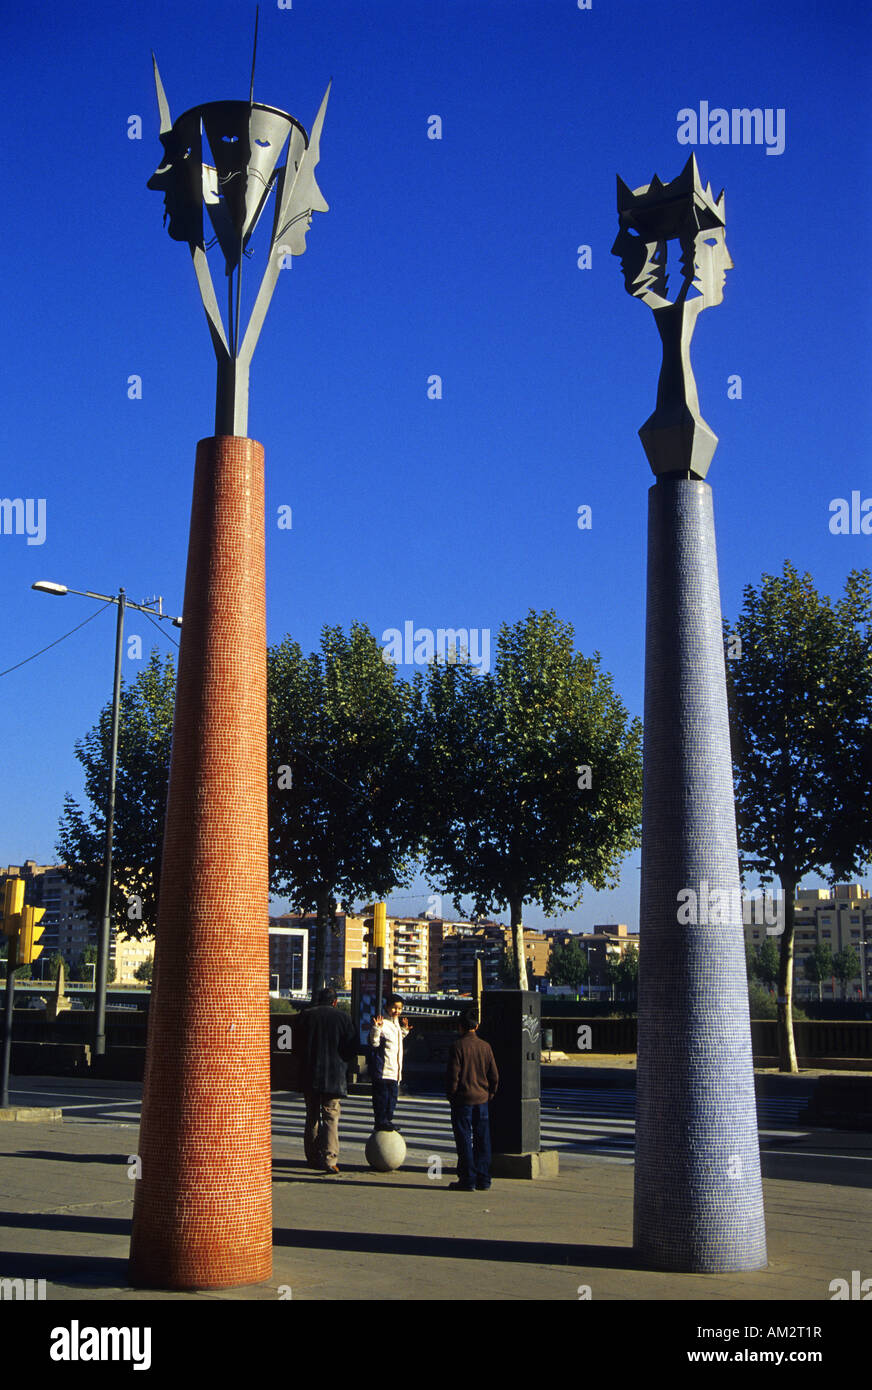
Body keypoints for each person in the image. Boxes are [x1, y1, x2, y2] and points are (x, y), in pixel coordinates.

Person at [298, 986, 358, 1173]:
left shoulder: (306, 1016)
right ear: (335, 1001)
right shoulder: (343, 1018)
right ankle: (330, 1159)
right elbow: (351, 1047)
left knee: (312, 1116)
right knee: (331, 1117)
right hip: (334, 1075)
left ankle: (312, 1157)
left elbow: (297, 1045)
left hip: (311, 1074)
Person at [445, 1010, 499, 1192]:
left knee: (464, 1140)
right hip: (482, 1100)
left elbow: (453, 1075)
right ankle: (484, 1178)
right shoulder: (485, 1047)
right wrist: (490, 1093)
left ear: (460, 1027)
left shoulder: (457, 1046)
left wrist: (451, 1095)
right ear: (476, 1026)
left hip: (462, 1100)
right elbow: (494, 1076)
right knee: (482, 1139)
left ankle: (468, 1179)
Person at [368, 994, 412, 1131]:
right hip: (384, 1070)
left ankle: (387, 1120)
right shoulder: (384, 1024)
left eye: (399, 1009)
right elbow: (374, 1043)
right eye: (394, 1008)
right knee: (382, 1099)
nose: (396, 1011)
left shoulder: (396, 1024)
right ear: (387, 1007)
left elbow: (396, 1041)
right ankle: (381, 1121)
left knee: (392, 1099)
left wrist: (404, 1030)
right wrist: (376, 1028)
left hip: (395, 1071)